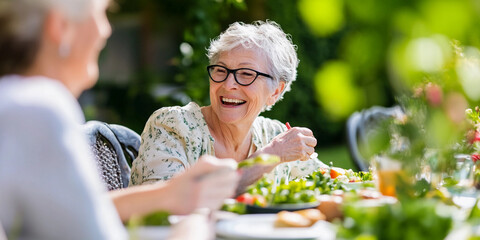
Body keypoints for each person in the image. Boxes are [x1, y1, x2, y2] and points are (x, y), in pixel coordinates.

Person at [0, 0, 238, 239]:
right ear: (60, 26)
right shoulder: (38, 109)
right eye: (101, 14)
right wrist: (195, 222)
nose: (106, 30)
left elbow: (77, 213)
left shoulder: (15, 106)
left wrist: (171, 195)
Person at [130, 20, 327, 193]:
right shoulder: (172, 126)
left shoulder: (274, 133)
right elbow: (166, 203)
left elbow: (331, 181)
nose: (228, 84)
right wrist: (272, 155)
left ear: (275, 92)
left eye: (246, 74)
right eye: (220, 70)